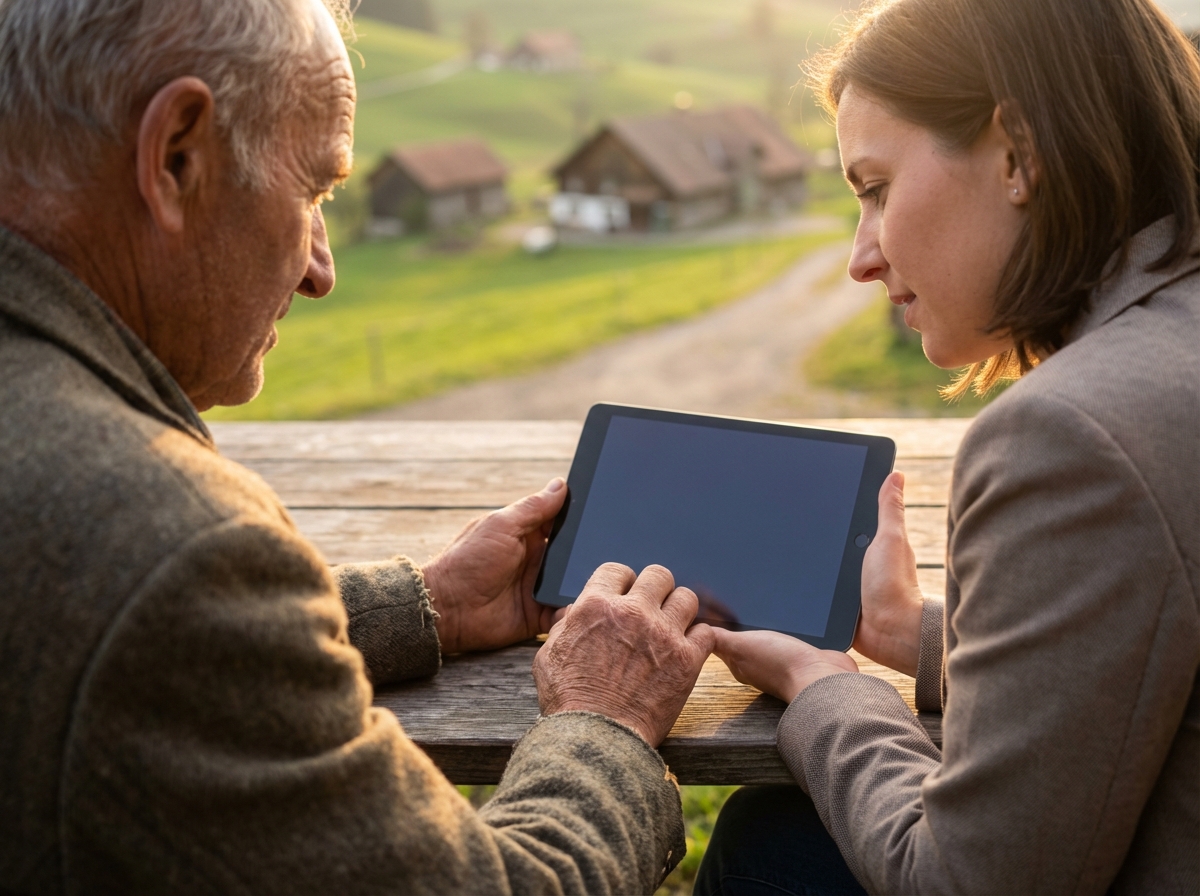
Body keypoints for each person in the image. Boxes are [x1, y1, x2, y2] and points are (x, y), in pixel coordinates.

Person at [0, 0, 716, 891]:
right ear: (176, 154)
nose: (321, 270)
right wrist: (605, 723)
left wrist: (427, 608)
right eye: (314, 190)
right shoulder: (170, 543)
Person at [695, 0, 1200, 893]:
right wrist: (908, 636)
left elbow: (966, 884)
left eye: (877, 188)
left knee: (769, 842)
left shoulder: (1072, 434)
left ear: (1020, 154)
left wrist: (826, 688)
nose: (862, 257)